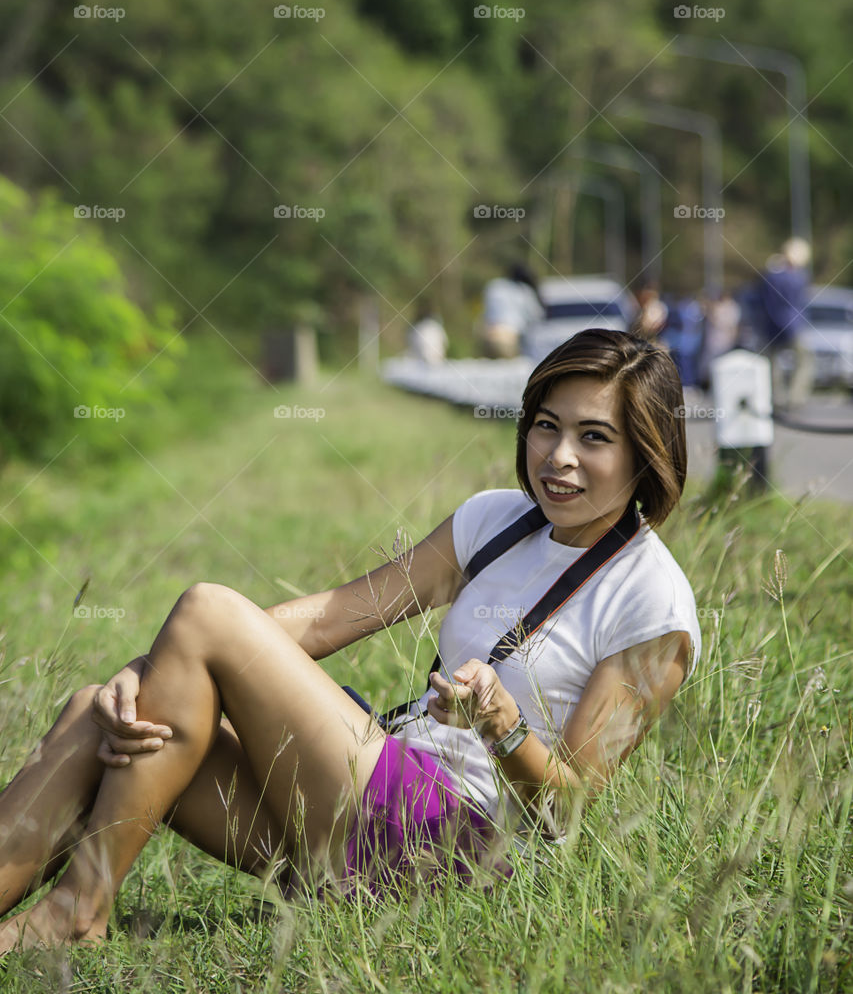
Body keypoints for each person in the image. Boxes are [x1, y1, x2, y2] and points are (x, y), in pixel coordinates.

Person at [0, 330, 701, 954]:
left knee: (208, 608)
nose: (559, 457)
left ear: (647, 452)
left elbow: (565, 806)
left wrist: (503, 726)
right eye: (546, 427)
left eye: (594, 437)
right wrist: (152, 670)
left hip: (458, 851)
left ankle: (75, 911)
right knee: (100, 711)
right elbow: (336, 617)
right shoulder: (496, 520)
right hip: (360, 809)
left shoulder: (652, 602)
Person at [758, 237, 814, 410]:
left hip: (772, 326)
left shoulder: (771, 276)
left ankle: (776, 397)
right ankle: (796, 397)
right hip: (793, 325)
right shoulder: (798, 277)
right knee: (805, 360)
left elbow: (764, 302)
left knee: (771, 363)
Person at [479, 264, 544, 358]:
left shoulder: (494, 285)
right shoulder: (524, 290)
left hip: (488, 339)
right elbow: (537, 315)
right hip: (508, 341)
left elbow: (485, 310)